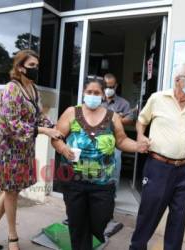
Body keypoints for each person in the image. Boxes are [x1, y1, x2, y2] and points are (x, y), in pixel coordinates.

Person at [0, 50, 62, 250]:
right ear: (20, 67)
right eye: (32, 65)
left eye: (37, 66)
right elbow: (10, 124)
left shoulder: (33, 89)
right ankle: (12, 237)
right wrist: (44, 131)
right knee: (12, 192)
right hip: (8, 149)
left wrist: (53, 127)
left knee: (11, 191)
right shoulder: (11, 89)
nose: (36, 69)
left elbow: (39, 116)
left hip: (23, 149)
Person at [51, 77, 149, 250]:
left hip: (103, 182)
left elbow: (121, 141)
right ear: (83, 93)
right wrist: (63, 148)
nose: (93, 95)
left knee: (100, 219)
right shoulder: (71, 112)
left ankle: (89, 235)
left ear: (103, 95)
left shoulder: (113, 116)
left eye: (96, 93)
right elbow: (56, 137)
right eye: (89, 92)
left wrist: (138, 146)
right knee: (77, 224)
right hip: (73, 180)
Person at [129, 63, 185, 250]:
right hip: (158, 167)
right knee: (149, 215)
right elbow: (141, 122)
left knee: (178, 218)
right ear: (178, 80)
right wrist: (141, 136)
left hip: (183, 169)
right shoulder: (158, 98)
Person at [102, 73, 135, 189]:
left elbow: (130, 119)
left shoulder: (123, 103)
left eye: (111, 87)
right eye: (106, 86)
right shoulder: (97, 101)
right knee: (98, 167)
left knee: (114, 168)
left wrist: (117, 119)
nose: (108, 89)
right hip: (97, 139)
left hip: (116, 141)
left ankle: (112, 194)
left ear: (115, 86)